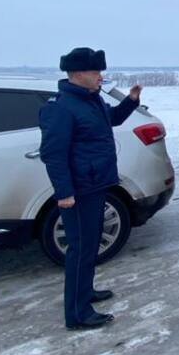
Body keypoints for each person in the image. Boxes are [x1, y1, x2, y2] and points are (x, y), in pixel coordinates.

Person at [39, 47, 142, 330]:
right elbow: (53, 153)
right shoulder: (62, 107)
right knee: (80, 249)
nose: (101, 77)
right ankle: (77, 313)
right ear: (78, 74)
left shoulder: (91, 101)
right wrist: (64, 193)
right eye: (96, 72)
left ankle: (86, 292)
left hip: (96, 184)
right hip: (80, 190)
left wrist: (131, 101)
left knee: (90, 245)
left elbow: (115, 118)